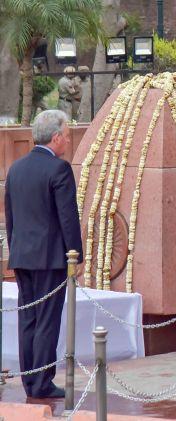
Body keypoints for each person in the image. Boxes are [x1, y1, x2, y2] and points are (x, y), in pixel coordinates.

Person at [5, 110, 83, 398]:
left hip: (23, 257)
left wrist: (16, 254)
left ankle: (30, 381)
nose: (68, 138)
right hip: (50, 259)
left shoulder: (16, 169)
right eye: (66, 133)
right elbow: (68, 218)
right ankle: (42, 382)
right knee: (47, 321)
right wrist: (75, 257)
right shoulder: (59, 169)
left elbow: (10, 218)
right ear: (56, 137)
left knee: (29, 320)